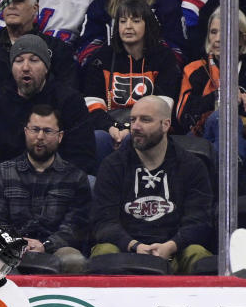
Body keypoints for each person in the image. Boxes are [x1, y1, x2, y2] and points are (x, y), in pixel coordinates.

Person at [90, 95, 213, 274]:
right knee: (104, 251)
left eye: (145, 120)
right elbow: (103, 222)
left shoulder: (192, 166)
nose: (136, 126)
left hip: (174, 251)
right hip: (127, 251)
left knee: (197, 254)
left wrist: (170, 246)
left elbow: (200, 221)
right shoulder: (112, 165)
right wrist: (135, 246)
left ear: (166, 125)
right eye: (133, 120)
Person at [0, 104, 91, 273]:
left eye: (48, 131)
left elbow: (76, 228)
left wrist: (45, 245)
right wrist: (17, 243)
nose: (40, 137)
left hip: (56, 248)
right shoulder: (2, 173)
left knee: (73, 259)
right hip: (10, 247)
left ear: (60, 136)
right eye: (35, 129)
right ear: (26, 131)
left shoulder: (75, 177)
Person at [83, 0, 182, 160]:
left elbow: (163, 105)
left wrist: (130, 128)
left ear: (148, 25)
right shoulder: (101, 57)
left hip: (149, 126)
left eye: (135, 21)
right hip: (110, 124)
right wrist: (112, 127)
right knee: (98, 138)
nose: (128, 26)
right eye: (122, 21)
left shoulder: (163, 58)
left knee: (133, 138)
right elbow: (92, 103)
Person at [0, 34, 96, 175]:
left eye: (34, 60)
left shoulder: (69, 101)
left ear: (46, 67)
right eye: (19, 61)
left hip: (59, 182)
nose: (25, 67)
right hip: (9, 182)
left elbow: (82, 156)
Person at [0, 0, 80, 94]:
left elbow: (68, 94)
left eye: (18, 0)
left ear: (35, 8)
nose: (11, 5)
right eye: (7, 0)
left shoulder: (58, 50)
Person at [175, 7, 246, 136]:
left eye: (225, 31)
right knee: (221, 118)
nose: (218, 38)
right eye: (213, 32)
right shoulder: (195, 69)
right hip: (204, 137)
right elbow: (183, 116)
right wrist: (219, 95)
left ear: (242, 38)